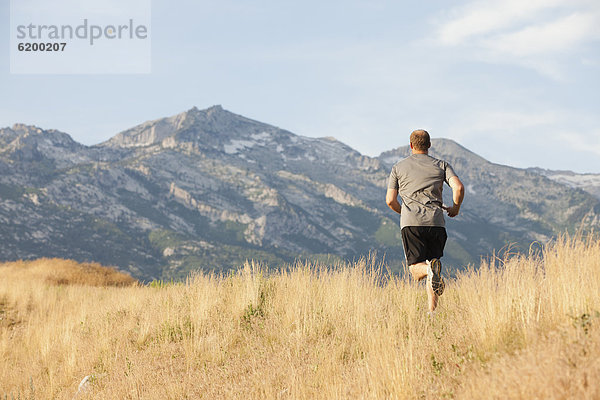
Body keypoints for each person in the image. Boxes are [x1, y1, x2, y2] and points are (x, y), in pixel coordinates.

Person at [385, 130, 464, 314]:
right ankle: (432, 312)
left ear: (411, 145)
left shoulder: (398, 167)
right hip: (436, 223)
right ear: (429, 145)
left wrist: (403, 212)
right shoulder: (442, 165)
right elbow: (458, 188)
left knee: (416, 270)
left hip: (412, 222)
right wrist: (455, 208)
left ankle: (429, 270)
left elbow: (390, 200)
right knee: (434, 263)